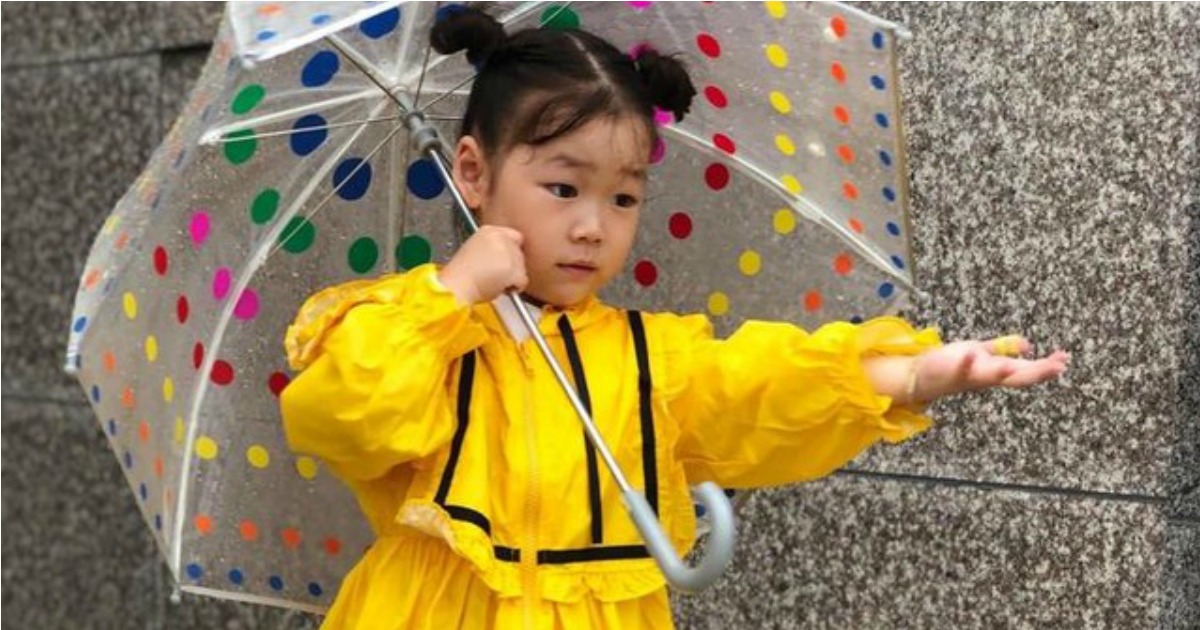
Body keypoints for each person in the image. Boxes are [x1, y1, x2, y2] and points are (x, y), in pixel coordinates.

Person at [279, 8, 1069, 630]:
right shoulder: (411, 326)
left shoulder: (645, 356)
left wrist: (913, 373)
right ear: (473, 172)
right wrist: (451, 293)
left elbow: (755, 387)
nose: (593, 226)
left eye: (623, 197)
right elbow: (346, 415)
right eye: (563, 188)